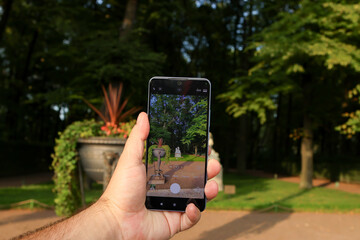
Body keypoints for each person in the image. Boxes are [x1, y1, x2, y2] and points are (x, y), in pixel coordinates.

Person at [18, 112, 221, 239]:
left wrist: (114, 218)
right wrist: (114, 215)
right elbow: (151, 154)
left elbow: (162, 155)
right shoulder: (156, 150)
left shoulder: (165, 148)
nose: (159, 142)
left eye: (159, 141)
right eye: (158, 140)